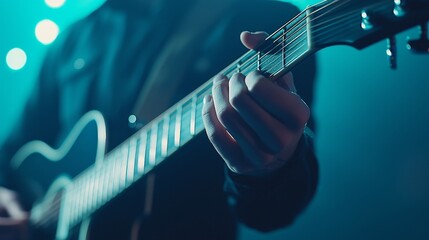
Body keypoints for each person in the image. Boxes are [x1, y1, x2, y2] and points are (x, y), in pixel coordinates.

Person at [0, 0, 318, 239]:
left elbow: (273, 213)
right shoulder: (73, 40)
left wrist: (272, 167)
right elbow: (11, 154)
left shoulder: (265, 21)